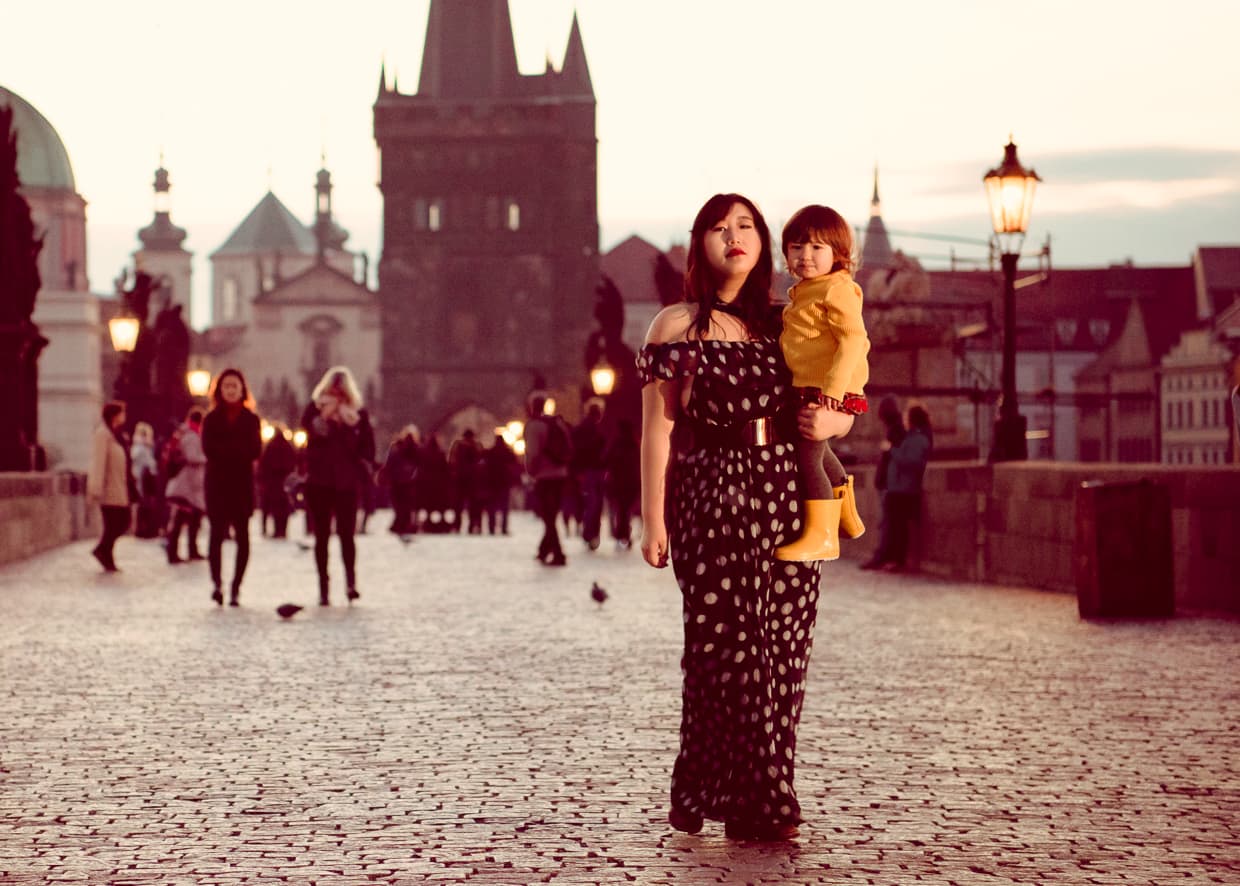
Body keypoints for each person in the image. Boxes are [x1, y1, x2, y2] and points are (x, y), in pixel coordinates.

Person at [638, 193, 837, 842]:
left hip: (785, 498)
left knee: (782, 656)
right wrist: (653, 520)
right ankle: (766, 802)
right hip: (712, 492)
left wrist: (833, 418)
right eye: (720, 228)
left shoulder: (790, 323)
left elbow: (844, 394)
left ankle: (703, 781)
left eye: (747, 226)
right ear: (699, 245)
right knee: (732, 653)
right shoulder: (674, 326)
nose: (735, 237)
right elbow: (657, 431)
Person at [773, 204, 870, 562]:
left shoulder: (836, 288)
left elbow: (853, 340)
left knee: (808, 458)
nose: (805, 257)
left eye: (816, 248)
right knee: (819, 451)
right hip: (812, 385)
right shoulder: (807, 289)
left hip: (825, 389)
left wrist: (832, 392)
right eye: (796, 248)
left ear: (838, 254)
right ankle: (846, 513)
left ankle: (823, 535)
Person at [302, 365, 375, 604]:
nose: (338, 394)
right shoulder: (314, 410)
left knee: (347, 536)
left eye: (342, 390)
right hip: (319, 482)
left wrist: (348, 428)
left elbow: (367, 448)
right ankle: (323, 587)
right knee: (321, 536)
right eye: (334, 388)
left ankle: (350, 583)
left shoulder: (357, 415)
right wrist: (324, 419)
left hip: (346, 483)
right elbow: (308, 437)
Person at [201, 368, 263, 606]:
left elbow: (255, 450)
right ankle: (217, 584)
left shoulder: (251, 419)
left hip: (241, 486)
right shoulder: (211, 419)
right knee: (216, 535)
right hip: (217, 485)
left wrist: (228, 452)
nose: (230, 390)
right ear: (219, 390)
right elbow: (208, 450)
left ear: (242, 389)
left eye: (234, 386)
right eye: (226, 386)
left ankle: (236, 586)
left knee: (243, 537)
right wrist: (237, 452)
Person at [861, 404, 932, 572]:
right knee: (893, 526)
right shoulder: (911, 437)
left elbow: (913, 462)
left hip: (904, 490)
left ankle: (897, 560)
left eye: (907, 417)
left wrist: (891, 450)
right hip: (897, 488)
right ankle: (891, 559)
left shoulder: (919, 439)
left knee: (898, 527)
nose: (904, 420)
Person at [523, 392, 571, 566]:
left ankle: (558, 554)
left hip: (544, 476)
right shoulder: (557, 422)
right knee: (551, 515)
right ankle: (544, 551)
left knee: (547, 516)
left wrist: (531, 471)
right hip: (560, 475)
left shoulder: (534, 425)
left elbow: (533, 452)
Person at [86, 401, 132, 572]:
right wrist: (95, 489)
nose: (124, 417)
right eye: (122, 413)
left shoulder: (117, 435)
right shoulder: (102, 434)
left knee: (122, 522)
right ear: (115, 415)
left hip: (119, 487)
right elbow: (98, 462)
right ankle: (104, 552)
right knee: (115, 524)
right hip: (109, 489)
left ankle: (105, 553)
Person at [164, 408, 207, 563]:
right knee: (181, 519)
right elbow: (192, 456)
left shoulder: (188, 434)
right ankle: (173, 551)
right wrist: (207, 458)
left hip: (191, 485)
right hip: (186, 485)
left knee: (192, 519)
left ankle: (190, 549)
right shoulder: (191, 436)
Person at [570, 398, 608, 551]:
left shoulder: (580, 429)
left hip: (586, 471)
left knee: (589, 503)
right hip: (594, 470)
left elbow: (574, 452)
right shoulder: (597, 430)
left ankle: (589, 533)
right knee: (594, 504)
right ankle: (591, 534)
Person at [603, 417, 640, 551]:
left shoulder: (616, 444)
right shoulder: (634, 444)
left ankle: (621, 535)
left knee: (621, 511)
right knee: (626, 511)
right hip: (631, 482)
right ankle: (625, 535)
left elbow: (605, 460)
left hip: (618, 482)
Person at [380, 424, 422, 537]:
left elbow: (390, 463)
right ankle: (403, 523)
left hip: (401, 480)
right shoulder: (413, 448)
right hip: (405, 480)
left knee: (401, 504)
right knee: (403, 504)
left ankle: (402, 523)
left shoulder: (399, 447)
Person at [257, 425, 297, 538]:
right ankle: (282, 530)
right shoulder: (287, 446)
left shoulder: (271, 446)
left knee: (276, 508)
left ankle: (277, 530)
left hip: (274, 482)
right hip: (284, 482)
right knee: (283, 508)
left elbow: (264, 463)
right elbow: (293, 461)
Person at [481, 431, 519, 535]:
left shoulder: (490, 452)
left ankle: (491, 528)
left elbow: (483, 466)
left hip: (492, 483)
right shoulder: (507, 452)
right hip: (504, 483)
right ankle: (503, 528)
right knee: (504, 507)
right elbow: (515, 466)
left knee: (491, 507)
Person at [448, 429, 484, 533]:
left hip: (460, 479)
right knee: (473, 506)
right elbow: (481, 462)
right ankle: (472, 526)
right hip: (472, 480)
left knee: (458, 505)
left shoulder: (457, 445)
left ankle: (457, 525)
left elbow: (451, 461)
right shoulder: (477, 446)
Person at [129, 421, 161, 539]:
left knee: (143, 506)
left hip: (144, 479)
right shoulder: (140, 447)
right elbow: (148, 463)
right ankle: (141, 529)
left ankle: (143, 529)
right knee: (142, 506)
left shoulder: (142, 447)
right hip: (142, 479)